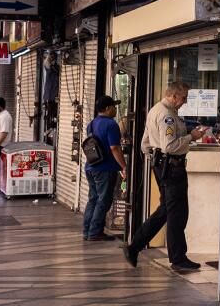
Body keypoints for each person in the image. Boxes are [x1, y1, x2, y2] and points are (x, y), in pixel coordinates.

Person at [126, 81, 205, 272]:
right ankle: (177, 258)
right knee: (178, 213)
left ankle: (134, 246)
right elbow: (169, 145)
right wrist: (191, 137)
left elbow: (145, 143)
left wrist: (156, 159)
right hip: (172, 169)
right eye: (183, 98)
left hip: (163, 167)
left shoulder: (155, 110)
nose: (185, 102)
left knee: (166, 211)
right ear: (173, 96)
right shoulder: (167, 116)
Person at [81, 96, 125, 243]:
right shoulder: (111, 125)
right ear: (107, 109)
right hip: (105, 168)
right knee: (103, 200)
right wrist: (124, 166)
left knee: (93, 199)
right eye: (113, 106)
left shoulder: (91, 124)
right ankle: (95, 232)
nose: (115, 109)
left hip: (91, 166)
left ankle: (87, 231)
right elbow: (114, 148)